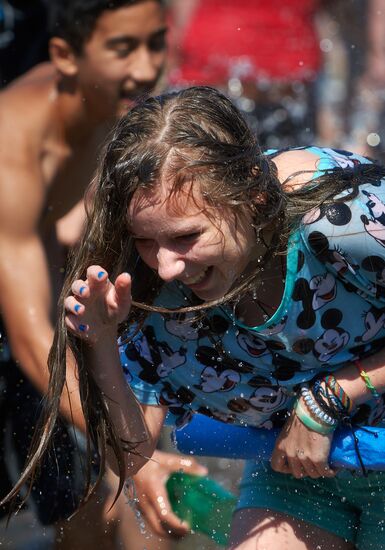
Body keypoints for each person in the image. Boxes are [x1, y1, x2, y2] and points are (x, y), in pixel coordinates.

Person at [18, 85, 385, 549]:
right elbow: (130, 455)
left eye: (187, 236)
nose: (166, 265)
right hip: (296, 471)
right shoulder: (148, 285)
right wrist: (103, 344)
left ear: (251, 191)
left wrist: (333, 396)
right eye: (146, 240)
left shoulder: (344, 222)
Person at [0, 0, 198, 547]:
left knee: (90, 503)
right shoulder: (12, 147)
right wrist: (135, 451)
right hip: (16, 329)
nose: (145, 67)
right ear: (64, 54)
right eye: (122, 49)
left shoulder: (110, 106)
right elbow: (27, 336)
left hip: (27, 283)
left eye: (155, 43)